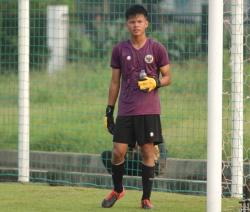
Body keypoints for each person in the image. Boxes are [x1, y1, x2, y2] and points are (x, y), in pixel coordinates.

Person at [102, 4, 171, 209]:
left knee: (148, 152)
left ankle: (146, 198)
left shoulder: (157, 48)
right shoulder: (119, 50)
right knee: (117, 151)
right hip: (126, 110)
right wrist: (109, 111)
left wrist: (155, 82)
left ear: (146, 23)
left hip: (148, 110)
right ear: (127, 24)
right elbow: (115, 82)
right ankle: (118, 189)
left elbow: (168, 76)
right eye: (132, 22)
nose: (136, 25)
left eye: (139, 21)